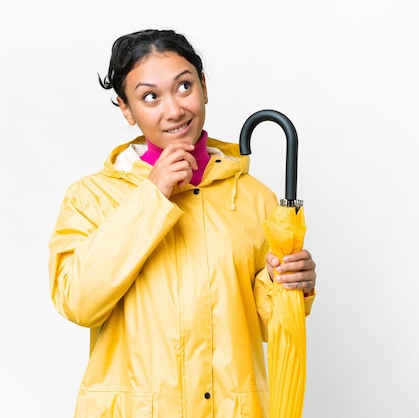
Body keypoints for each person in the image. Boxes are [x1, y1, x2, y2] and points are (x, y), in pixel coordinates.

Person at [48, 28, 317, 418]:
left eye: (184, 86)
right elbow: (79, 302)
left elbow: (266, 326)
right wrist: (151, 196)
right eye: (150, 97)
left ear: (204, 87)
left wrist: (290, 287)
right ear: (126, 109)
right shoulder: (90, 198)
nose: (174, 110)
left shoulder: (255, 197)